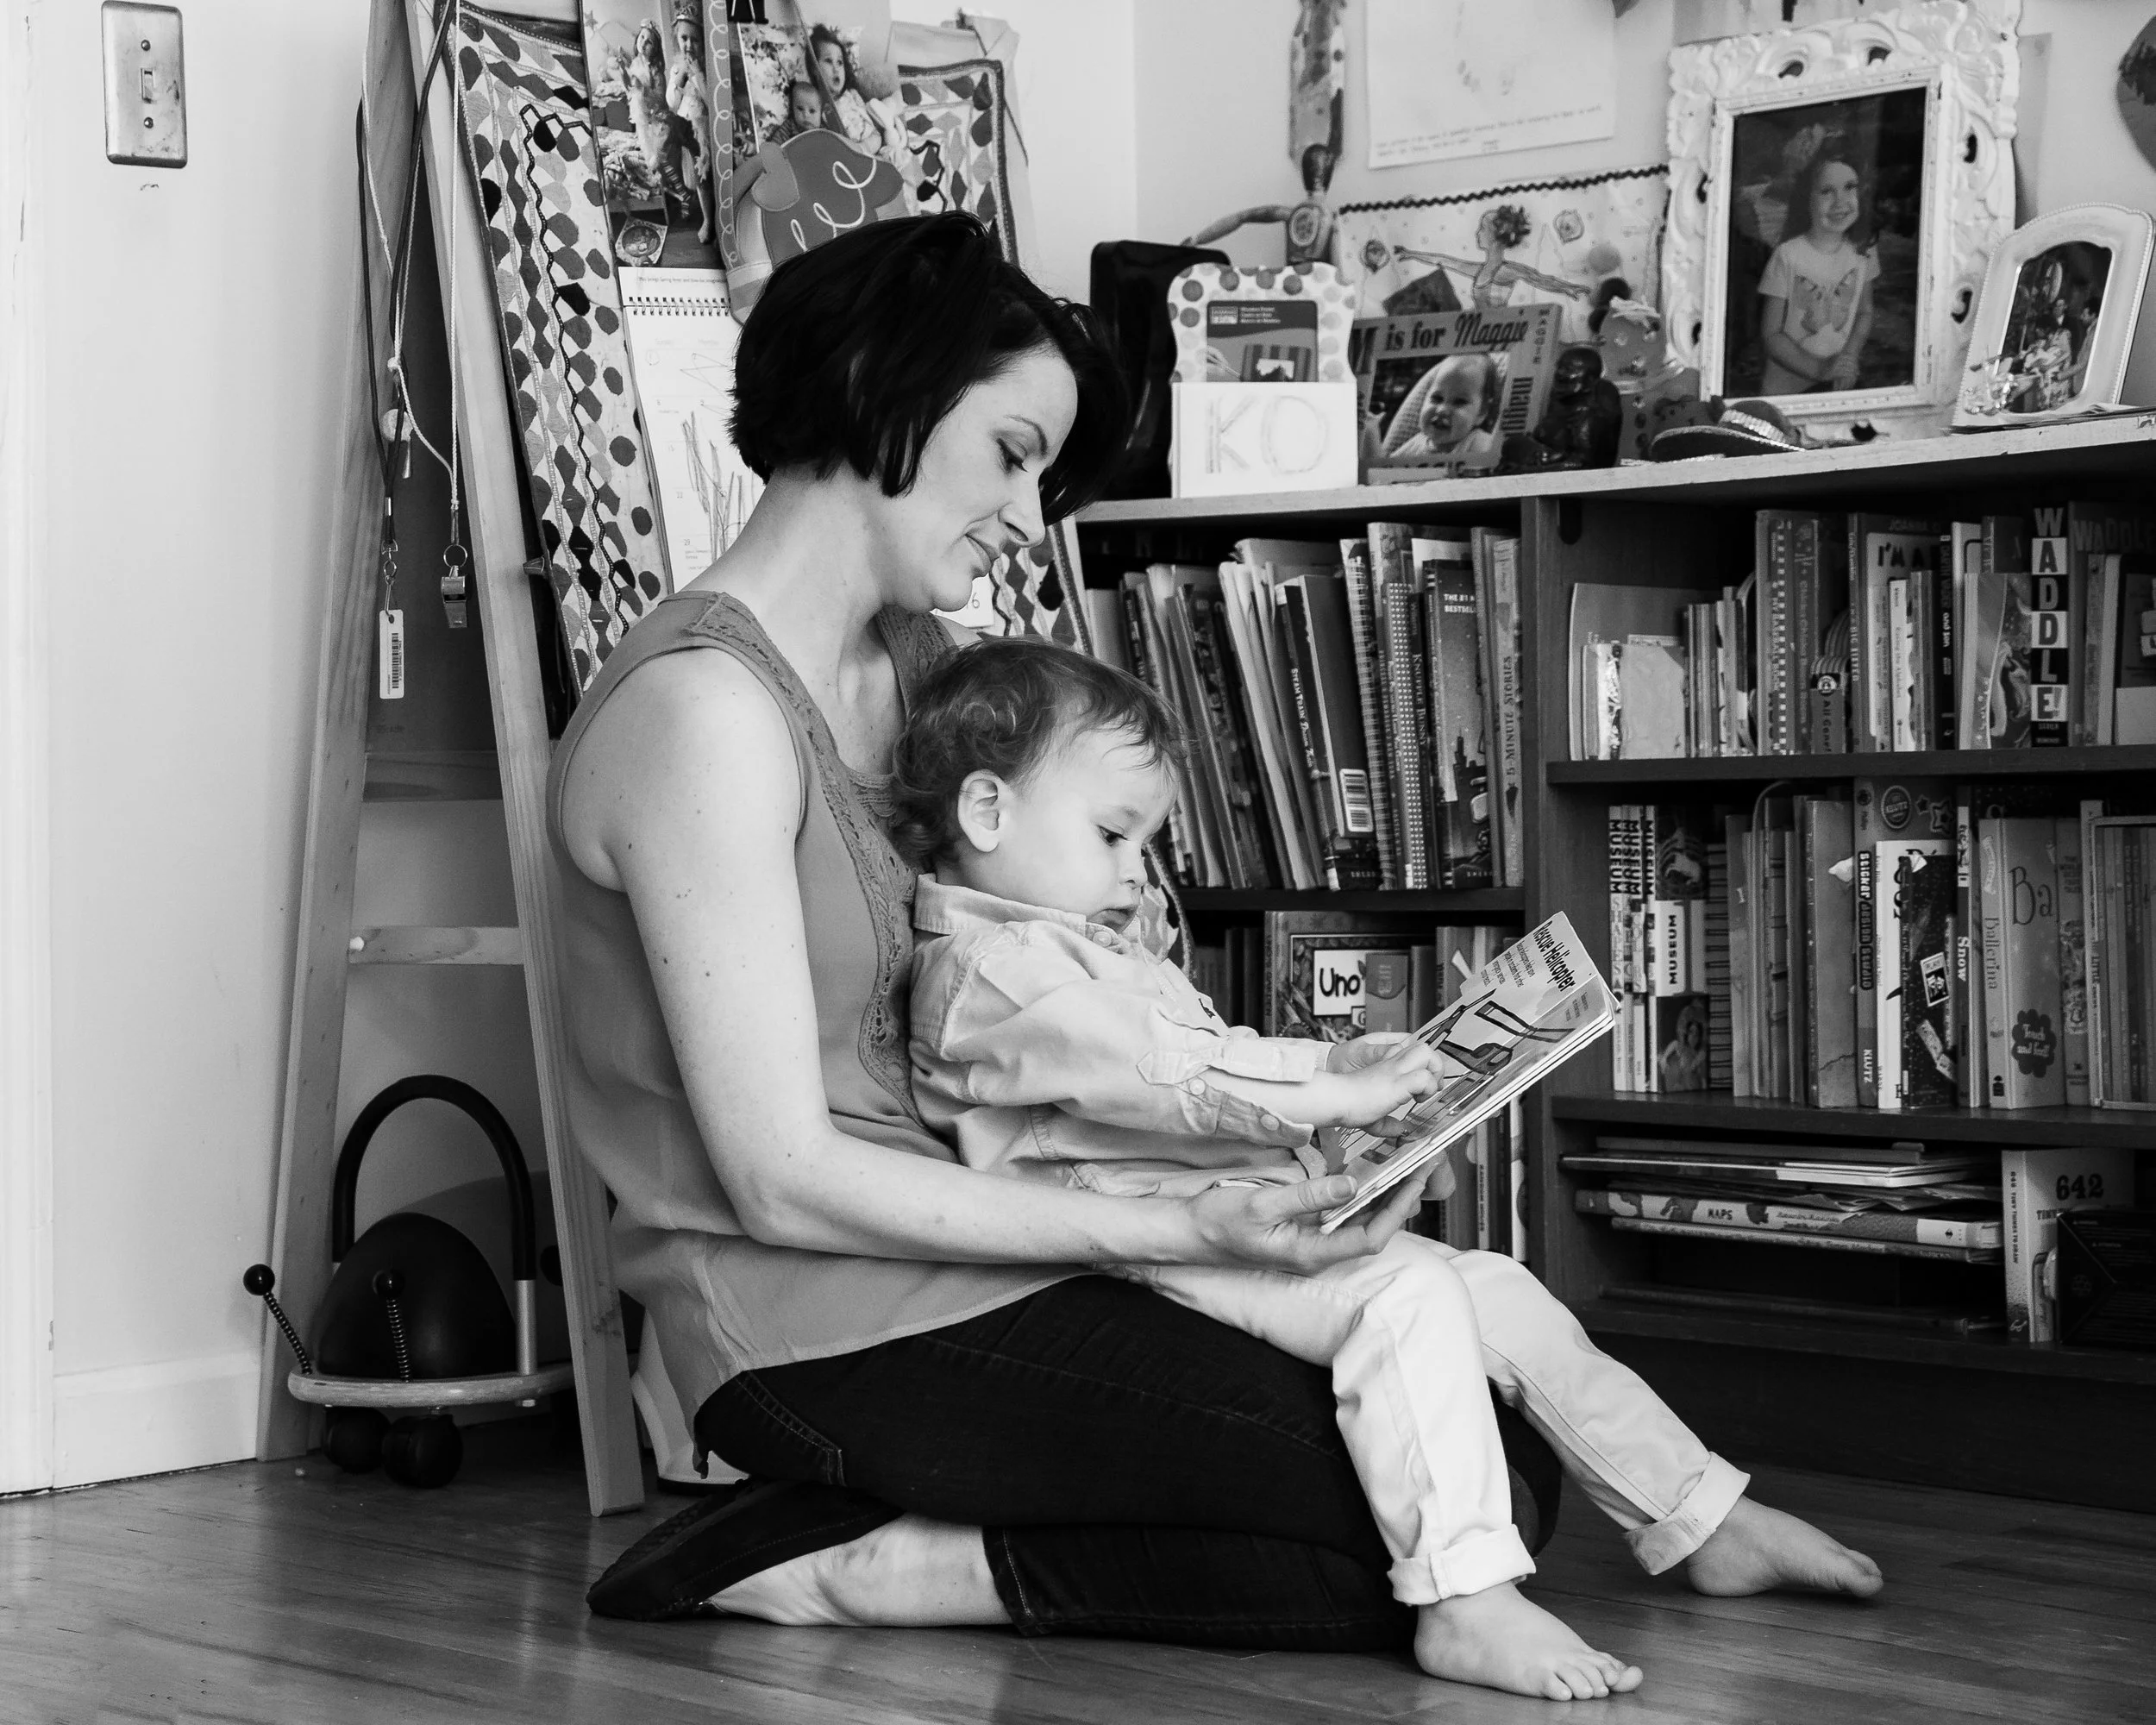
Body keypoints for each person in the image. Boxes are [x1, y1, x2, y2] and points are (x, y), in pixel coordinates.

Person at [567, 214, 1883, 1697]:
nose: (1028, 516)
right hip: (807, 1319)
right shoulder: (704, 717)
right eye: (1012, 452)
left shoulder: (932, 677)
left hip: (991, 1246)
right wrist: (1190, 1224)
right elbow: (779, 1181)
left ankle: (931, 1530)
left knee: (1479, 1451)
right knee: (1446, 1519)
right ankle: (853, 1564)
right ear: (883, 387)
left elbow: (1063, 1007)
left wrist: (1311, 1145)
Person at [895, 637, 1880, 1699]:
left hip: (1198, 1210)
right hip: (1116, 1251)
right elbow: (1167, 1072)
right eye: (1111, 833)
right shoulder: (993, 970)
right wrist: (1333, 1085)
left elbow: (1199, 1075)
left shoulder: (1082, 945)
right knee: (1404, 1295)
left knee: (1495, 1289)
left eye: (1146, 840)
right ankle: (1464, 1598)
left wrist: (1353, 1093)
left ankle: (1698, 1513)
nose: (1136, 869)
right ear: (986, 811)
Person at [1757, 144, 1877, 395]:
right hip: (1787, 390)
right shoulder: (1788, 256)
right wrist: (1819, 369)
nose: (1840, 202)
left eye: (1850, 187)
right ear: (1806, 200)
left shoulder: (1864, 251)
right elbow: (1771, 334)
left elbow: (1864, 311)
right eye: (1826, 191)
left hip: (1836, 384)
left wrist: (1848, 358)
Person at [1384, 352, 1502, 461]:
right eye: (1437, 398)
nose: (1442, 410)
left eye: (1459, 402)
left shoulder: (1478, 443)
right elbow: (1384, 471)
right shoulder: (1415, 444)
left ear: (1481, 412)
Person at [806, 22, 898, 160]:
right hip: (844, 155)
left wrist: (865, 147)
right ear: (814, 69)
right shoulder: (816, 101)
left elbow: (869, 120)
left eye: (840, 62)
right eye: (829, 61)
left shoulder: (851, 94)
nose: (836, 69)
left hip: (871, 142)